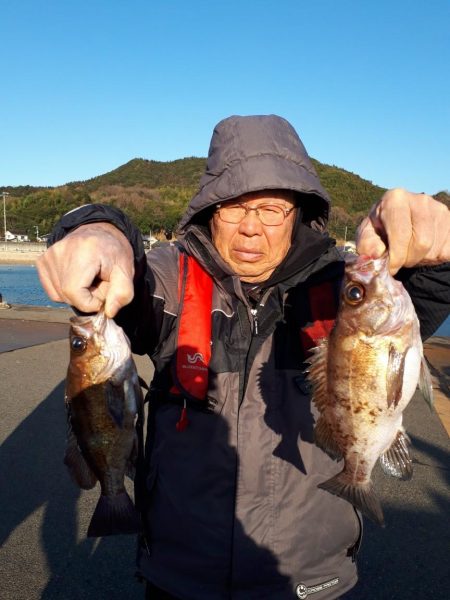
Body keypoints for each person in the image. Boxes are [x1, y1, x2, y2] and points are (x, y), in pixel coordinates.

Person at [37, 115, 450, 599]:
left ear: (298, 211)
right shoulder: (173, 278)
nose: (251, 227)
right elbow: (116, 265)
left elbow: (425, 292)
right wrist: (99, 231)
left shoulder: (345, 290)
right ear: (210, 212)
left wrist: (438, 249)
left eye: (271, 208)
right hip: (177, 576)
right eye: (233, 207)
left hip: (310, 578)